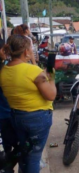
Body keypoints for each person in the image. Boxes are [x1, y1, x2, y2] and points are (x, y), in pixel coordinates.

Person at [0, 35, 56, 173]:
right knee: (34, 157)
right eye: (30, 48)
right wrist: (52, 78)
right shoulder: (33, 71)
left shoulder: (4, 71)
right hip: (37, 119)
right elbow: (51, 95)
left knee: (24, 152)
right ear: (26, 51)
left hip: (17, 117)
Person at [0, 45, 19, 172]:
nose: (6, 52)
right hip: (6, 114)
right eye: (3, 49)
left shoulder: (4, 68)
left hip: (5, 113)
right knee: (19, 146)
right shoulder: (4, 70)